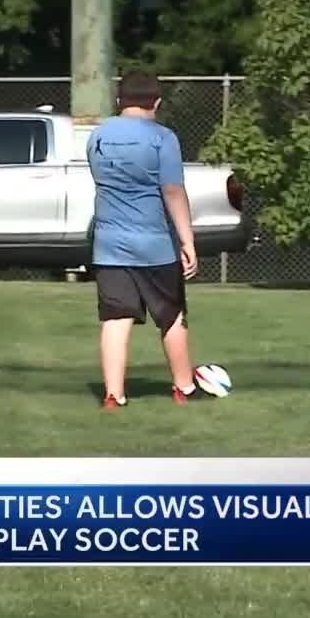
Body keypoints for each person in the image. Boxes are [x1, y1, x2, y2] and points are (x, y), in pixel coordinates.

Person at [86, 70, 200, 410]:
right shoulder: (162, 138)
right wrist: (187, 240)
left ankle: (113, 394)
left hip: (109, 244)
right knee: (171, 315)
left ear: (119, 101)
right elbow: (172, 190)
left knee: (116, 318)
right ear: (158, 102)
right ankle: (183, 387)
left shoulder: (98, 137)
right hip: (154, 245)